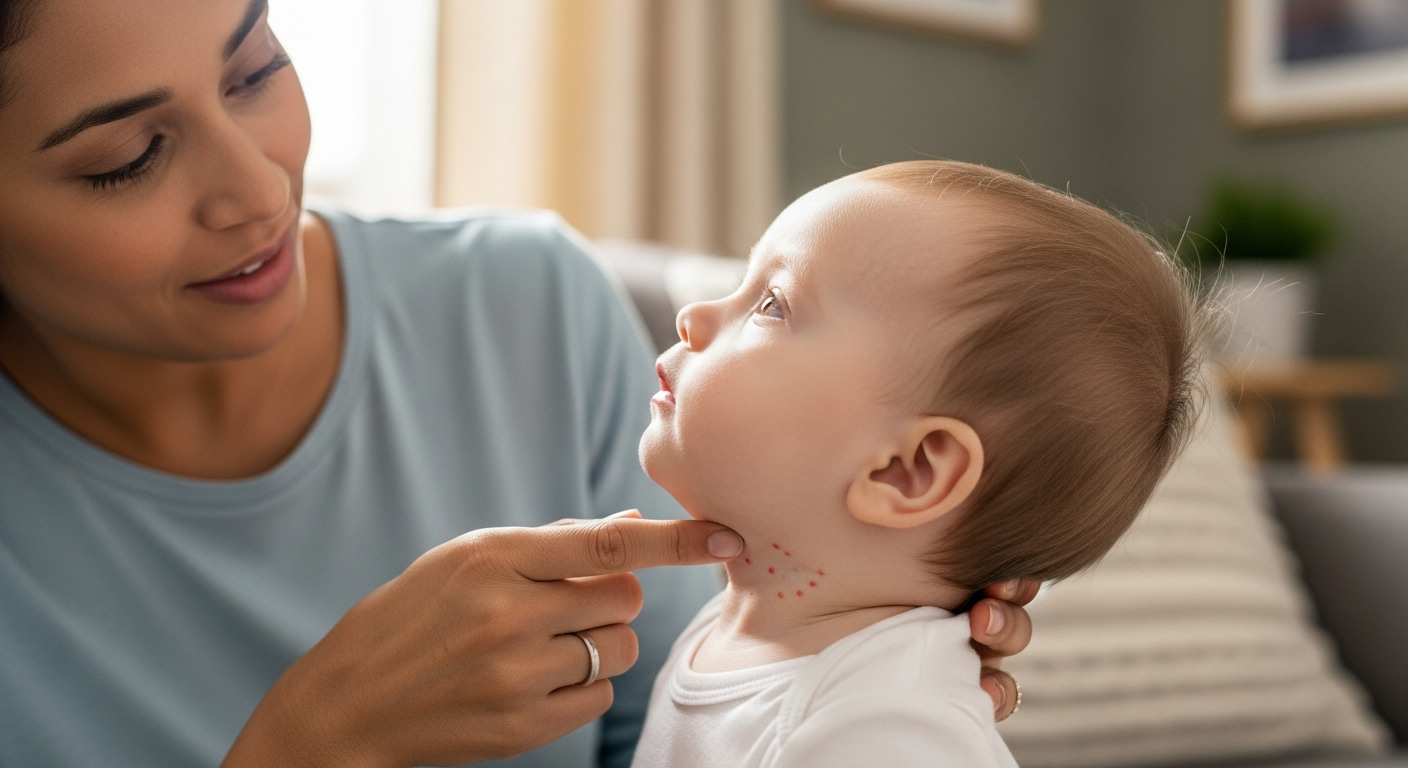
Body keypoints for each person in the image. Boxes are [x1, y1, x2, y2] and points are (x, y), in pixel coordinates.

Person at [0, 1, 1036, 766]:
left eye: (255, 71)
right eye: (127, 159)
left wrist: (848, 640)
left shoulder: (528, 302)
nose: (258, 187)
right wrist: (302, 748)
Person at [630, 160, 1203, 767]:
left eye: (771, 303)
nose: (691, 316)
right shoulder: (726, 631)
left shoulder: (885, 729)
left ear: (908, 472)